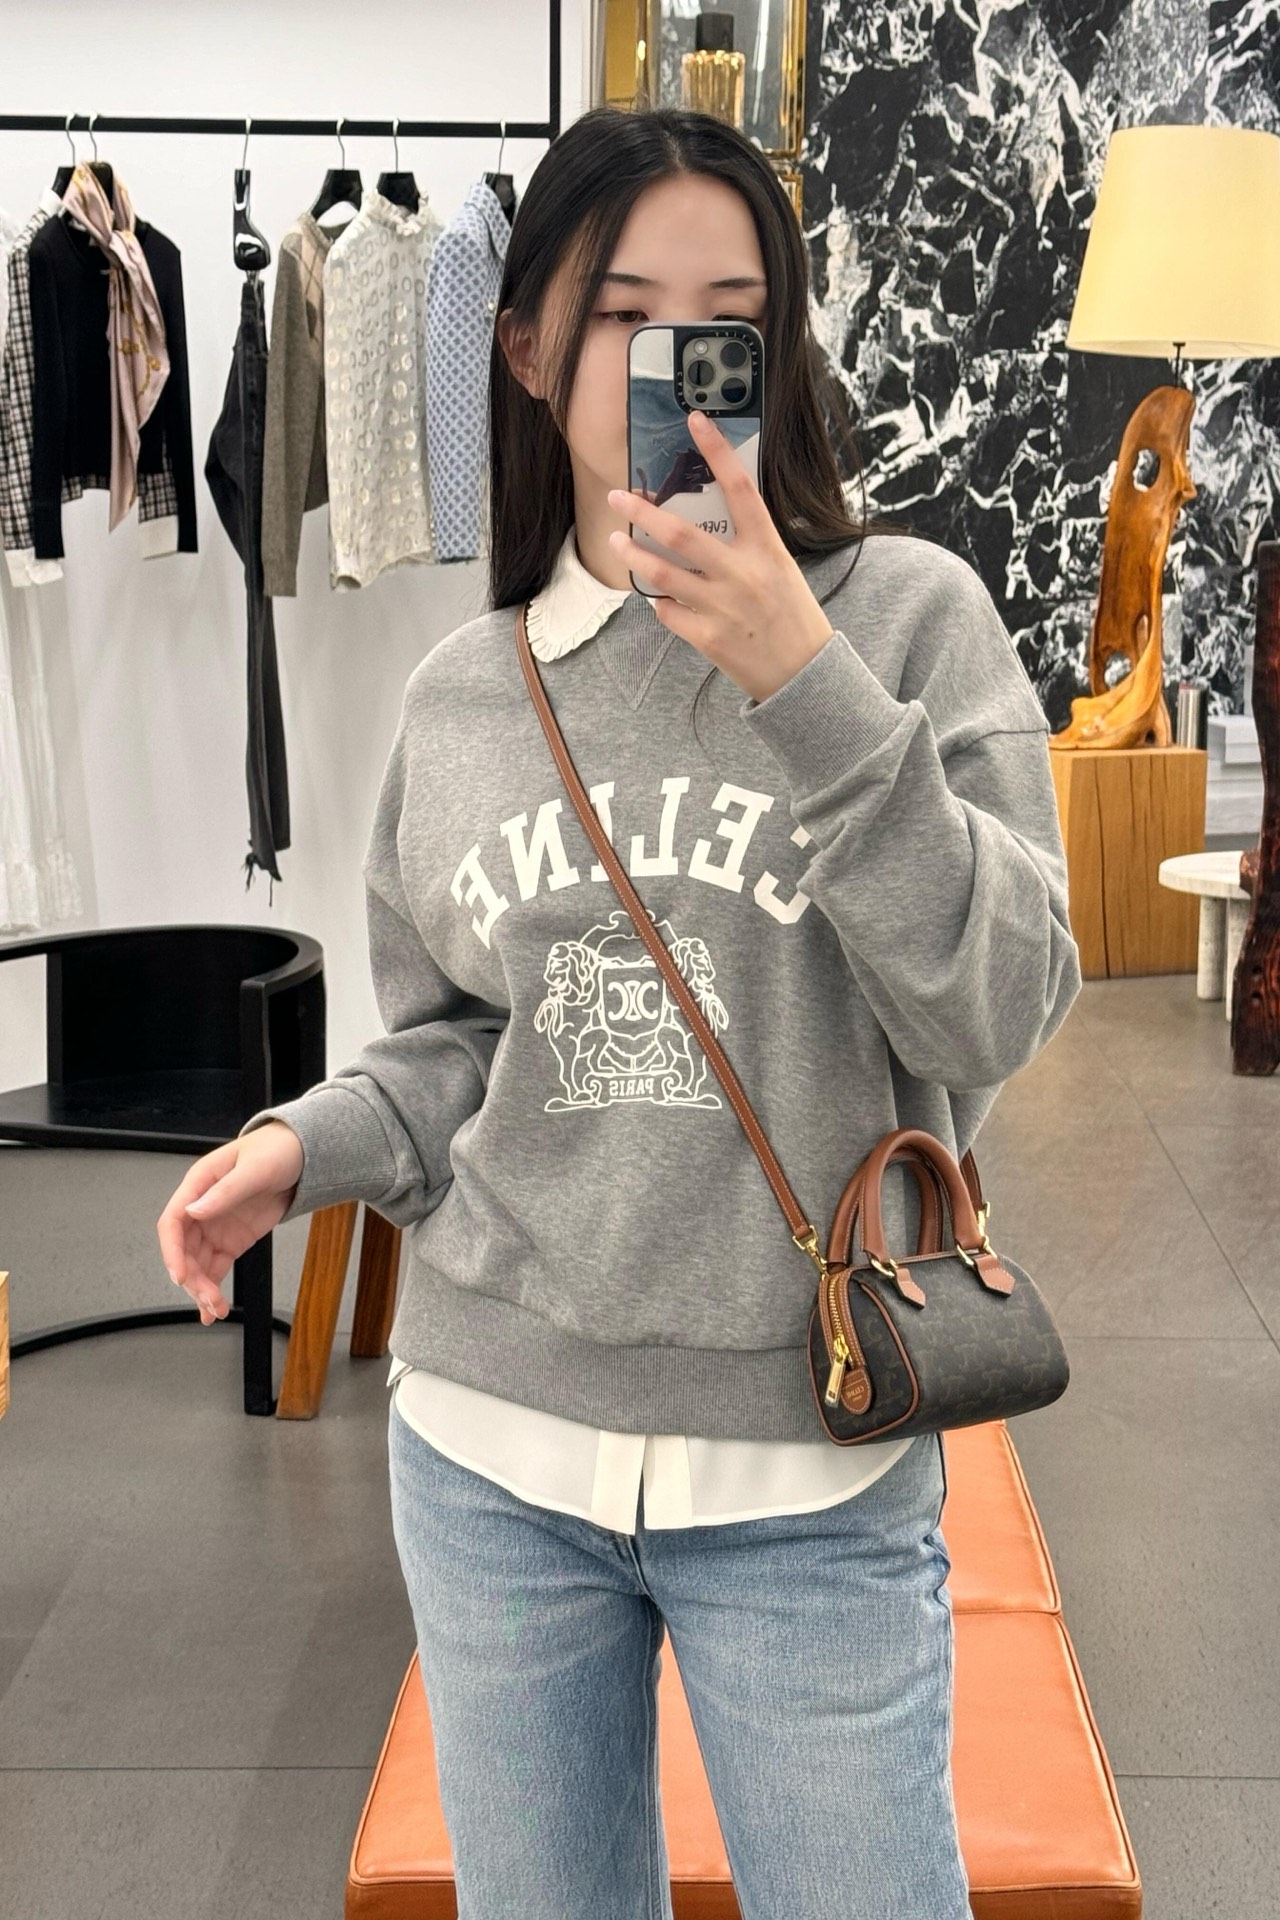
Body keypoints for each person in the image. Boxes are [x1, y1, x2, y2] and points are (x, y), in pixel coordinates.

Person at [157, 105, 1082, 1920]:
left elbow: (1001, 1006)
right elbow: (455, 1044)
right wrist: (302, 1145)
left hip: (810, 1465)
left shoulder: (908, 622)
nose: (683, 363)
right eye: (626, 316)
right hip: (489, 1458)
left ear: (781, 345)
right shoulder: (465, 693)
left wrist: (803, 683)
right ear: (525, 350)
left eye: (729, 319)